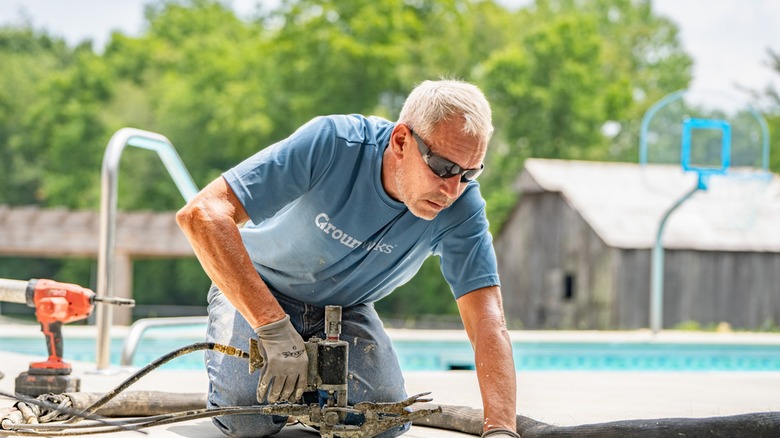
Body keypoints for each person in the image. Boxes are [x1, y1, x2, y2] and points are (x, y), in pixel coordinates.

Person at [176, 79, 518, 438]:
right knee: (247, 421)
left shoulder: (462, 207)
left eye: (469, 173)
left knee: (383, 422)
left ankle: (306, 403)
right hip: (259, 292)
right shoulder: (334, 144)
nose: (452, 190)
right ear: (401, 141)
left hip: (345, 310)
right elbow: (203, 214)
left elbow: (487, 321)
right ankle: (282, 399)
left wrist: (500, 430)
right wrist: (272, 326)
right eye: (443, 167)